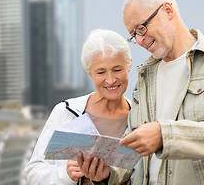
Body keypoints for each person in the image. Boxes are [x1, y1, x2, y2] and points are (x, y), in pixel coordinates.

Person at [82, 0, 204, 185]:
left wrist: (165, 135)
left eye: (141, 28)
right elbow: (132, 153)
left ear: (168, 10)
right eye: (133, 35)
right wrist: (106, 174)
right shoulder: (144, 77)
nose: (140, 40)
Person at [25, 29, 134, 185]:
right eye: (101, 72)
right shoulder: (65, 112)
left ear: (129, 65)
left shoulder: (139, 117)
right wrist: (66, 175)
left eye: (117, 70)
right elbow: (33, 172)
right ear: (90, 73)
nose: (110, 80)